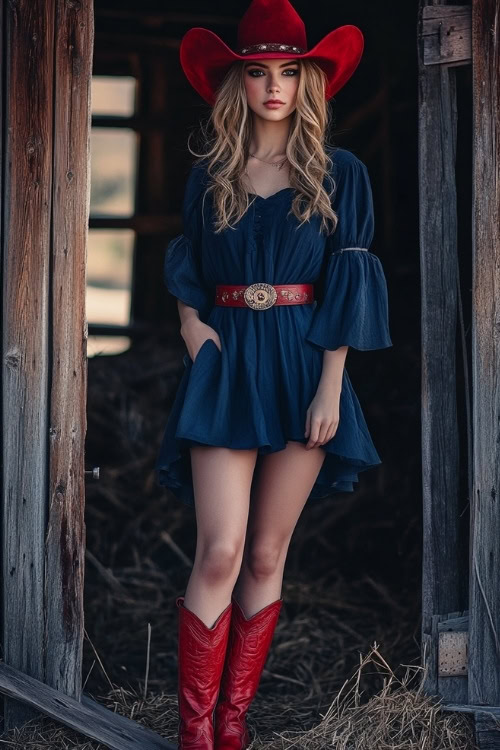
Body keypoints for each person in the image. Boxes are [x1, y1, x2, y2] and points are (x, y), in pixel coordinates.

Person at [155, 0, 392, 747]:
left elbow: (349, 284)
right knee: (220, 548)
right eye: (257, 72)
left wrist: (332, 384)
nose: (274, 85)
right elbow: (188, 276)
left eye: (289, 71)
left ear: (309, 82)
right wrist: (196, 332)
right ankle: (195, 732)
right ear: (237, 83)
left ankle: (233, 725)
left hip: (303, 360)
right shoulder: (212, 174)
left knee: (265, 552)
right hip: (229, 366)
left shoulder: (338, 174)